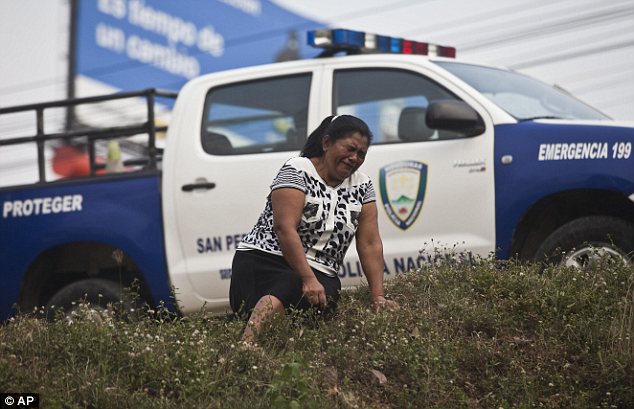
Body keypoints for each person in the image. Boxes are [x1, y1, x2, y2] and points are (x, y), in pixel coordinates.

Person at [229, 114, 398, 343]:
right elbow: (284, 228)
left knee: (328, 294)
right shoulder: (297, 169)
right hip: (265, 259)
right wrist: (307, 278)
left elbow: (369, 243)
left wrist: (378, 297)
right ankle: (246, 347)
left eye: (361, 154)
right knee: (291, 282)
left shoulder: (363, 185)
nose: (354, 158)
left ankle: (265, 344)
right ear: (326, 143)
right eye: (350, 149)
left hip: (320, 272)